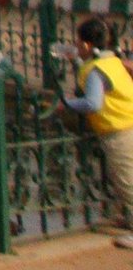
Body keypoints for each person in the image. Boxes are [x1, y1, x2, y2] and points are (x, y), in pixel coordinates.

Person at [59, 17, 133, 246]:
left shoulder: (95, 70)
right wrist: (76, 60)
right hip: (128, 123)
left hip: (118, 129)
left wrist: (66, 104)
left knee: (126, 179)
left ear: (86, 45)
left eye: (78, 42)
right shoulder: (112, 61)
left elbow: (92, 103)